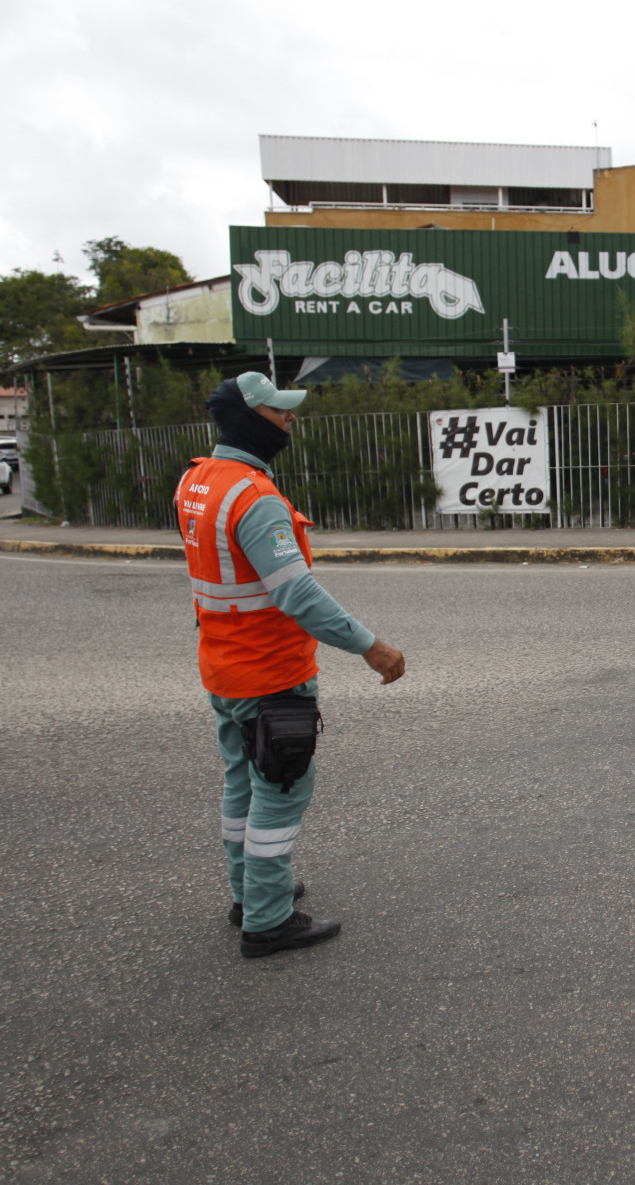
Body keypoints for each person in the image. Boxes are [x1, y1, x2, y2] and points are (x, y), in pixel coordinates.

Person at [173, 371, 407, 959]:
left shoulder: (197, 481)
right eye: (280, 412)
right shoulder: (253, 499)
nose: (290, 419)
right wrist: (371, 647)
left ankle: (248, 894)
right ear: (253, 417)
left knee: (240, 787)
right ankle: (269, 919)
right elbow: (297, 594)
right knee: (278, 791)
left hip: (222, 670)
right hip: (269, 673)